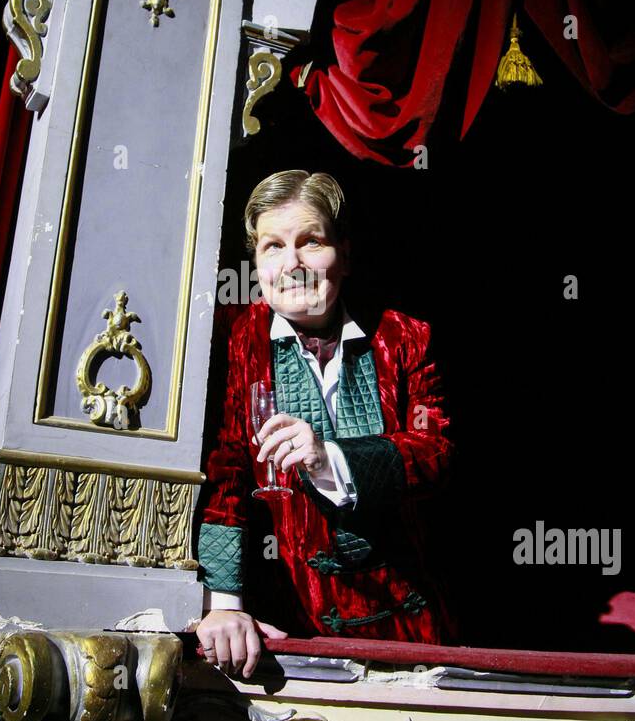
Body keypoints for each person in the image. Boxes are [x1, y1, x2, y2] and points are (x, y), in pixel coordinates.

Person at [194, 170, 455, 678]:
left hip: (409, 627)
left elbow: (436, 451)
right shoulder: (231, 341)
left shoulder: (405, 336)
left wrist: (328, 457)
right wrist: (224, 602)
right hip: (285, 636)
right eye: (272, 247)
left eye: (310, 242)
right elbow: (224, 478)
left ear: (345, 253)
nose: (291, 264)